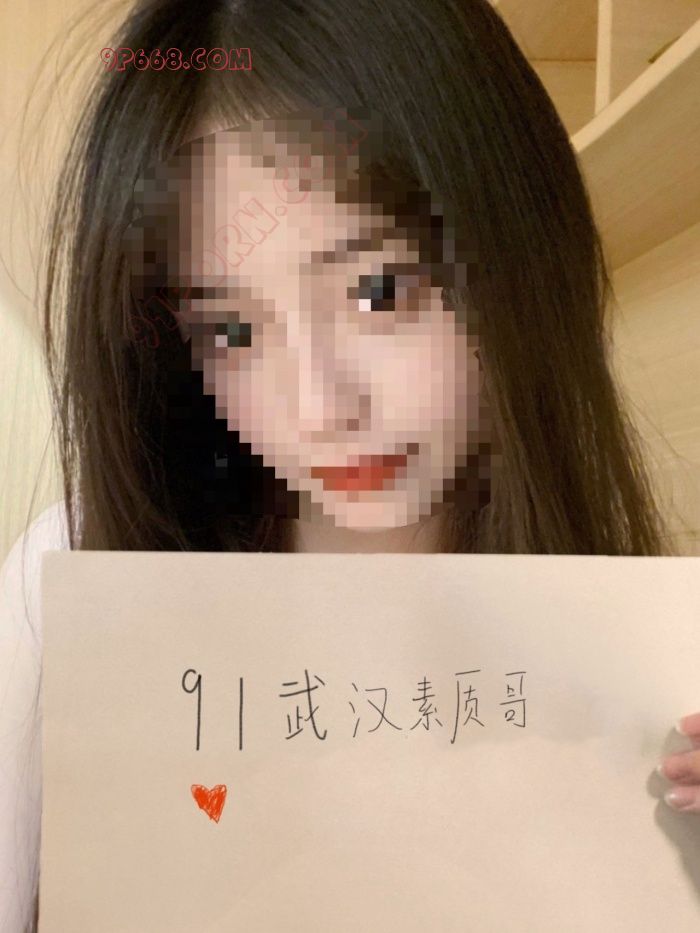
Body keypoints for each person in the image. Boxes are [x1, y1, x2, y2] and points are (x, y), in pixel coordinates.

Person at [1, 0, 696, 930]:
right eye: (230, 330)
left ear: (524, 254)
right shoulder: (68, 579)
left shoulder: (655, 665)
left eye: (377, 290)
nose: (320, 407)